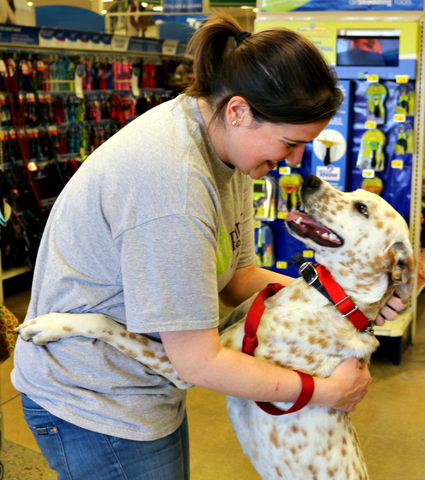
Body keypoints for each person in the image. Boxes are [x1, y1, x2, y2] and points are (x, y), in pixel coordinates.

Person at [12, 15, 404, 480]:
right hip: (96, 397)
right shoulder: (174, 187)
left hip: (146, 386)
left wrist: (345, 306)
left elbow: (239, 277)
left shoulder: (223, 146)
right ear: (238, 111)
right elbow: (197, 362)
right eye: (290, 143)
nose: (295, 161)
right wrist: (325, 392)